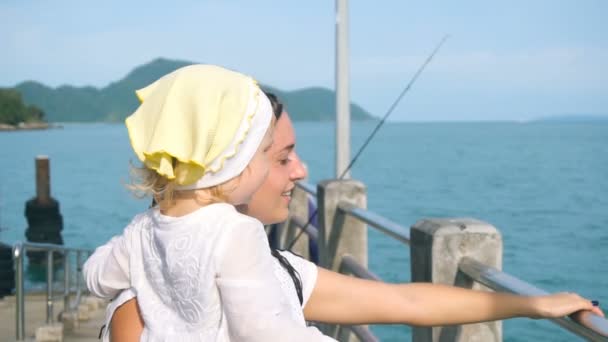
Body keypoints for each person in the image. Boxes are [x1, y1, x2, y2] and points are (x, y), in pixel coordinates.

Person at [98, 88, 604, 341]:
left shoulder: (280, 271)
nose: (301, 170)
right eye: (281, 157)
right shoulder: (141, 304)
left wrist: (529, 305)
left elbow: (407, 302)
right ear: (230, 170)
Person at [83, 65, 337, 341]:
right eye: (265, 152)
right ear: (233, 163)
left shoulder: (141, 230)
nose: (268, 165)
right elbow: (268, 331)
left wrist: (110, 251)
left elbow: (96, 277)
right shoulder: (236, 232)